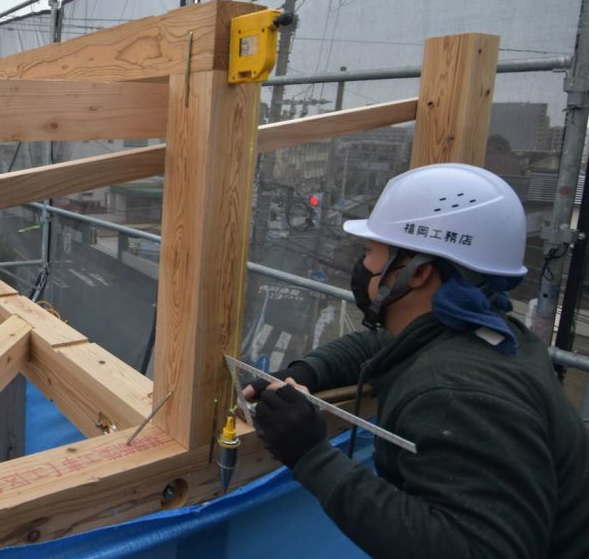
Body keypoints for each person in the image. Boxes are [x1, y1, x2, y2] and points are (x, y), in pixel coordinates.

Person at [244, 163, 589, 558]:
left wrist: (311, 455)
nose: (364, 267)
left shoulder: (456, 392)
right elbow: (385, 345)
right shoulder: (487, 335)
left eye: (372, 253)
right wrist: (308, 370)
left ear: (418, 273)